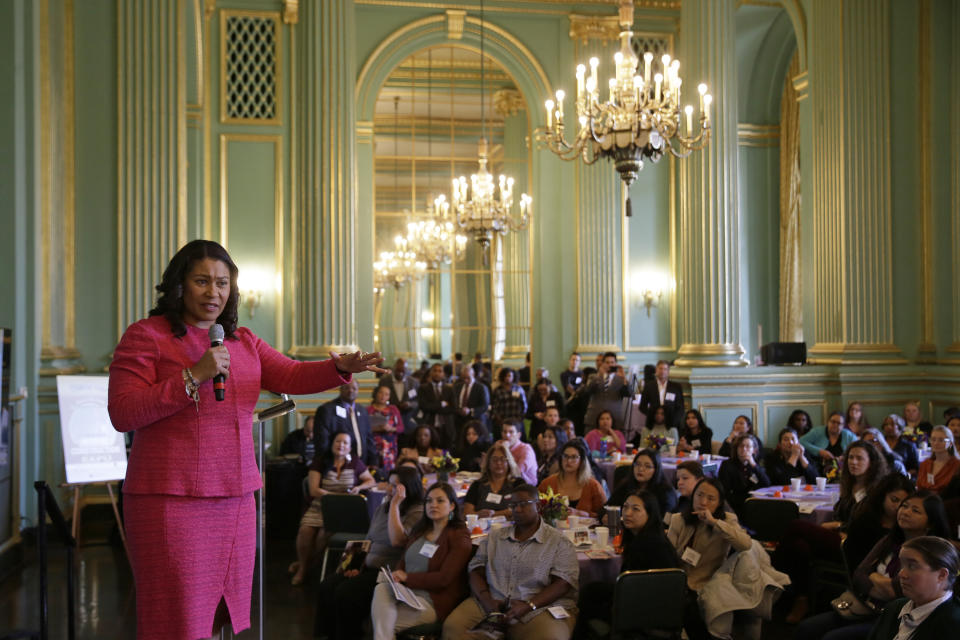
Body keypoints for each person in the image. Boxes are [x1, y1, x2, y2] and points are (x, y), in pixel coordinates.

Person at [107, 239, 385, 639]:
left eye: (222, 283)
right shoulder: (147, 336)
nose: (213, 292)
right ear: (179, 284)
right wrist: (193, 375)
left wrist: (337, 367)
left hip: (234, 499)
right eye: (202, 280)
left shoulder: (243, 342)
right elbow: (124, 412)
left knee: (219, 614)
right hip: (170, 501)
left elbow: (291, 375)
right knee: (178, 618)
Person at [795, 492, 953, 640]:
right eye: (904, 506)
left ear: (930, 522)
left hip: (893, 615)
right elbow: (859, 575)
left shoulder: (933, 554)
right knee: (806, 628)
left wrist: (876, 579)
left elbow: (899, 592)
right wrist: (882, 584)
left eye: (915, 510)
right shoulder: (889, 540)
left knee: (832, 638)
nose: (905, 512)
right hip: (863, 607)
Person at [442, 484, 580, 640]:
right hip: (493, 601)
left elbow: (563, 583)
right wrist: (487, 601)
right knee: (453, 628)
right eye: (513, 505)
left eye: (523, 504)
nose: (517, 510)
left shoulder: (558, 541)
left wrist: (529, 605)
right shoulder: (495, 537)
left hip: (540, 607)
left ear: (538, 505)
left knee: (550, 637)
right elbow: (475, 570)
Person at [775, 442, 889, 623]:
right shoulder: (849, 485)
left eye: (860, 458)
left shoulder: (876, 491)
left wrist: (839, 527)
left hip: (854, 545)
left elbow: (868, 526)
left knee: (796, 526)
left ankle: (781, 586)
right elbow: (842, 516)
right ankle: (802, 598)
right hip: (840, 536)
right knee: (798, 546)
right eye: (851, 457)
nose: (853, 462)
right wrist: (837, 525)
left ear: (872, 463)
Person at [314, 467, 425, 639]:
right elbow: (368, 541)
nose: (389, 489)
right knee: (328, 585)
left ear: (407, 489)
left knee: (346, 593)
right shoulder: (383, 509)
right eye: (389, 484)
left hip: (388, 571)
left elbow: (398, 540)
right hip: (368, 565)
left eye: (395, 486)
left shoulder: (416, 511)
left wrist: (395, 504)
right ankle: (327, 635)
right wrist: (355, 565)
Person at [370, 482, 472, 639]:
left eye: (440, 501)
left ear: (452, 506)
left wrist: (407, 578)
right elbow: (403, 561)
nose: (433, 505)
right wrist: (396, 576)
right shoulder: (421, 530)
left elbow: (444, 578)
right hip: (405, 595)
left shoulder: (459, 536)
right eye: (429, 501)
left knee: (381, 623)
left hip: (431, 602)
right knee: (381, 589)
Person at [574, 490, 681, 637]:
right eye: (625, 507)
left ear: (650, 514)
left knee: (587, 603)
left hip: (648, 607)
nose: (628, 513)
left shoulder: (651, 544)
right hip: (636, 596)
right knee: (591, 590)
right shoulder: (639, 537)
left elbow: (644, 589)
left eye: (635, 509)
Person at [666, 478, 752, 640]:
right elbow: (668, 556)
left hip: (709, 580)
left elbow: (745, 544)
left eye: (711, 499)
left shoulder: (727, 521)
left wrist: (714, 522)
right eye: (699, 495)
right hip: (679, 579)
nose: (703, 502)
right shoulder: (679, 519)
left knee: (687, 603)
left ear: (719, 503)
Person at [290, 432, 376, 586]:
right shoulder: (320, 461)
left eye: (345, 443)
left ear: (350, 448)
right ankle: (303, 568)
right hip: (320, 506)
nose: (341, 445)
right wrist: (333, 495)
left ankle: (305, 565)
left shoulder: (355, 462)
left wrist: (359, 487)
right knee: (305, 531)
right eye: (338, 441)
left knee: (323, 535)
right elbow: (314, 490)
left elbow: (371, 481)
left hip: (342, 509)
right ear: (332, 443)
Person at [867, 536, 960, 640]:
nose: (901, 574)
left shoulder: (953, 625)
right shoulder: (894, 608)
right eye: (902, 566)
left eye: (912, 566)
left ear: (941, 575)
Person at [314, 380, 379, 466]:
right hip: (336, 464)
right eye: (347, 388)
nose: (351, 390)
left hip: (362, 465)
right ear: (340, 389)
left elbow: (368, 438)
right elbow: (322, 441)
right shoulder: (327, 410)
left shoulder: (362, 411)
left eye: (354, 388)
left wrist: (373, 462)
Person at [538, 440, 606, 518]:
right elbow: (536, 509)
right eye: (565, 456)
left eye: (574, 457)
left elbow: (604, 515)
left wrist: (582, 514)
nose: (569, 461)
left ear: (582, 461)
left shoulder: (593, 486)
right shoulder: (547, 483)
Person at [606, 448, 678, 518]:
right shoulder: (626, 484)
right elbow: (607, 507)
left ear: (656, 470)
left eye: (647, 466)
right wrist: (604, 516)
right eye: (637, 464)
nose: (640, 469)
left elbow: (665, 520)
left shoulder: (666, 492)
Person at [463, 441, 524, 518]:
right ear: (488, 463)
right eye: (494, 460)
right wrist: (478, 514)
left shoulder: (518, 483)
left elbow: (522, 508)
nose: (498, 463)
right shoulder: (477, 485)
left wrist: (493, 514)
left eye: (502, 459)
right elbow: (466, 513)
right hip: (482, 527)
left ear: (509, 463)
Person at [718, 434, 770, 514]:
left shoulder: (755, 466)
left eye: (748, 446)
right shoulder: (727, 465)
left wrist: (753, 465)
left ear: (754, 450)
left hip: (754, 503)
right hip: (735, 505)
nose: (744, 449)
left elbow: (767, 484)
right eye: (741, 446)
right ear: (737, 449)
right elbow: (725, 491)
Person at [582, 352, 630, 430]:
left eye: (612, 362)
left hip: (615, 418)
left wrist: (624, 379)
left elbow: (629, 394)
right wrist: (598, 376)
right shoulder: (593, 376)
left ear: (616, 364)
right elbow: (587, 391)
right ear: (603, 364)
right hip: (594, 418)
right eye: (607, 362)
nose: (610, 365)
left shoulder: (621, 379)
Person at [418, 363, 457, 449]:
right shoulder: (423, 388)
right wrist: (442, 404)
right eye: (435, 370)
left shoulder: (449, 389)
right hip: (430, 426)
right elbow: (424, 406)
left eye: (440, 371)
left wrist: (433, 407)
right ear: (430, 372)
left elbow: (453, 408)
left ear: (443, 374)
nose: (437, 373)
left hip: (446, 427)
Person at [639, 359, 685, 430]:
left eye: (665, 369)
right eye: (660, 368)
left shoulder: (676, 387)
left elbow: (680, 407)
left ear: (668, 371)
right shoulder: (649, 386)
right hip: (653, 424)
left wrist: (673, 420)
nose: (662, 371)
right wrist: (653, 416)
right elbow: (642, 406)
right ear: (656, 370)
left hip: (672, 424)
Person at [378, 358, 420, 433]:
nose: (400, 373)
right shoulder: (384, 380)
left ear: (406, 369)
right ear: (394, 368)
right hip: (390, 420)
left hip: (408, 418)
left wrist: (409, 404)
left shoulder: (413, 382)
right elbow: (379, 398)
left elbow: (417, 401)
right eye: (398, 370)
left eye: (403, 370)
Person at [368, 385, 404, 472]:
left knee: (389, 471)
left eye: (386, 394)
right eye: (381, 393)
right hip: (373, 445)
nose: (383, 396)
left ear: (389, 397)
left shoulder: (393, 409)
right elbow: (363, 429)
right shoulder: (368, 410)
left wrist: (391, 429)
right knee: (374, 471)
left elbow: (401, 428)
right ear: (376, 393)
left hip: (390, 445)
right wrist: (376, 429)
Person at [917, 425, 960, 493]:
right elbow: (919, 487)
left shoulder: (957, 466)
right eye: (933, 439)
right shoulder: (925, 464)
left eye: (941, 440)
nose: (936, 443)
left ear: (950, 443)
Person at [452, 364, 491, 435]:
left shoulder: (481, 387)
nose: (465, 380)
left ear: (473, 375)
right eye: (463, 378)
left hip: (475, 420)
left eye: (468, 378)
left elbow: (485, 406)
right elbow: (454, 401)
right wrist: (459, 409)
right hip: (460, 420)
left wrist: (470, 410)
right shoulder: (457, 386)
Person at [490, 367, 527, 440]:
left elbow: (524, 405)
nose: (507, 378)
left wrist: (520, 418)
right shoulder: (497, 390)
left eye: (510, 376)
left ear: (513, 377)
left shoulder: (518, 389)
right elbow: (494, 406)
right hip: (501, 421)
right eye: (506, 376)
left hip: (517, 421)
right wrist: (498, 419)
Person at [500, 418, 538, 485]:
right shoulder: (500, 445)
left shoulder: (526, 450)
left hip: (525, 488)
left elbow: (516, 474)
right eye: (504, 432)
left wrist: (506, 450)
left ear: (519, 435)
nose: (507, 435)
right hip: (505, 484)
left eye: (511, 432)